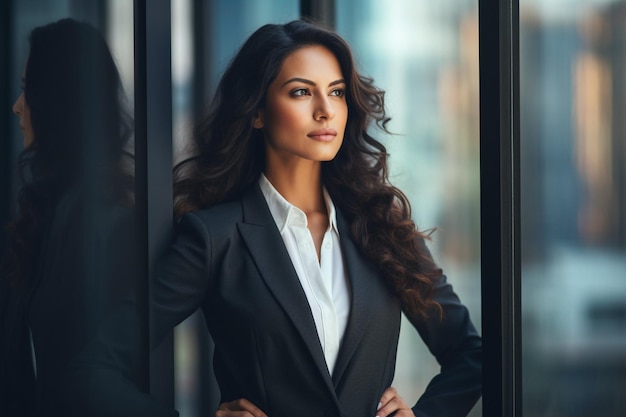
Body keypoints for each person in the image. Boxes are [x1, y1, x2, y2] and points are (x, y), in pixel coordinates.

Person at [153, 19, 481, 417]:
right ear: (257, 112)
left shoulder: (380, 227)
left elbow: (472, 353)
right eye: (301, 92)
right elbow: (103, 362)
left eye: (337, 92)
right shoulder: (214, 237)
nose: (326, 111)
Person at [0, 18, 140, 416]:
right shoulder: (54, 207)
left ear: (56, 101)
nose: (16, 107)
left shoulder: (103, 219)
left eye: (27, 90)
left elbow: (83, 373)